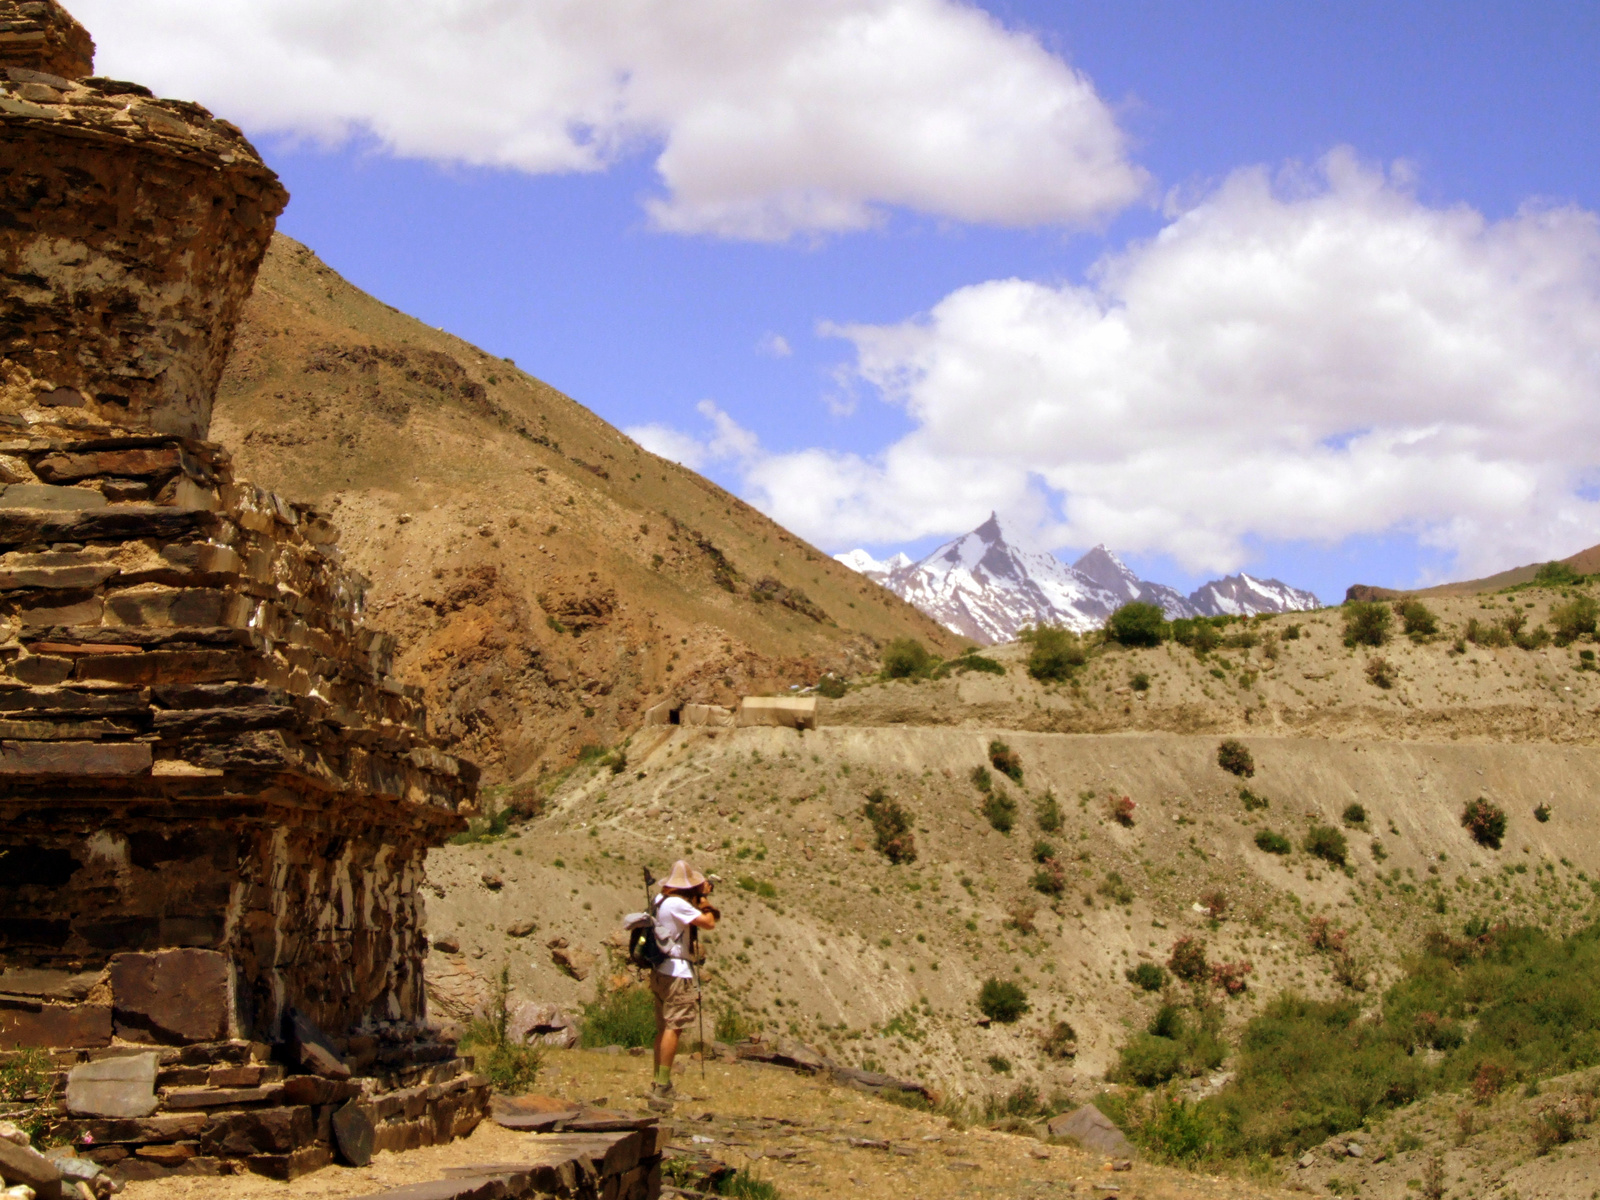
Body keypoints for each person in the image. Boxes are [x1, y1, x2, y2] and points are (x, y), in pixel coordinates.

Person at [649, 859, 718, 1104]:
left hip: (659, 969)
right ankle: (663, 1086)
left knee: (663, 1028)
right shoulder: (679, 904)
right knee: (673, 1028)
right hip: (676, 972)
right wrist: (704, 901)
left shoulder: (660, 900)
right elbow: (709, 923)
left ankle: (658, 1080)